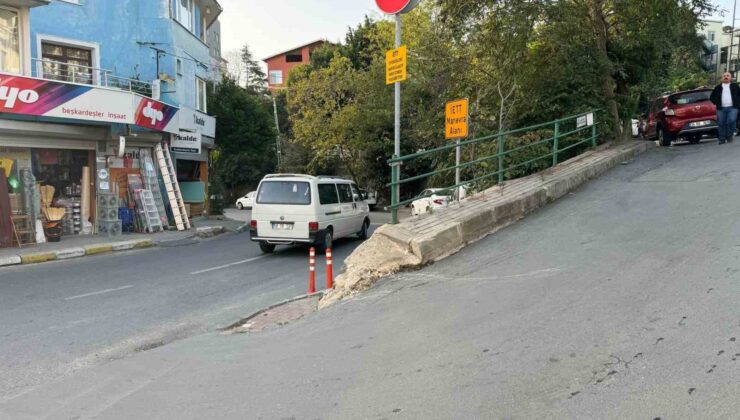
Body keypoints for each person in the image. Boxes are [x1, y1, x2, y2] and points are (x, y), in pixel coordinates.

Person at [710, 72, 740, 144]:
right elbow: (712, 97)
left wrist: (738, 104)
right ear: (722, 78)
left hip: (733, 107)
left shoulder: (735, 86)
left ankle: (729, 135)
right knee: (721, 123)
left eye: (727, 76)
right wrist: (717, 103)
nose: (726, 77)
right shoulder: (717, 87)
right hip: (721, 109)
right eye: (724, 76)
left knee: (732, 120)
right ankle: (722, 139)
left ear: (731, 78)